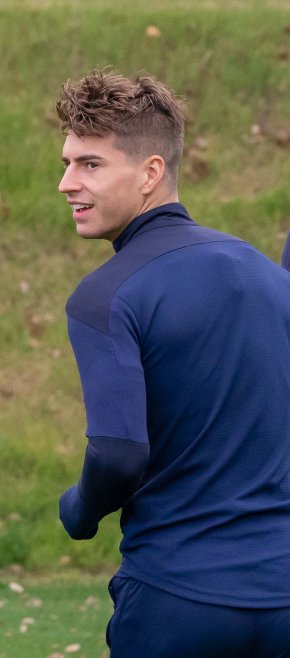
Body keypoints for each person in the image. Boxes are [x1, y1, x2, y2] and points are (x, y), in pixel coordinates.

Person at [54, 70, 290, 657]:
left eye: (90, 164)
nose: (66, 183)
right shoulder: (269, 278)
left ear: (150, 173)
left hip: (177, 600)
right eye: (67, 163)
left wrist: (78, 511)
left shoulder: (105, 296)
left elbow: (117, 455)